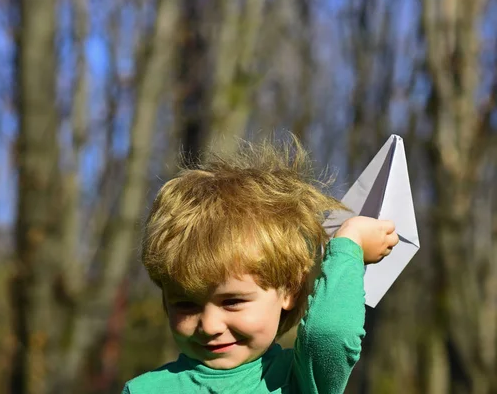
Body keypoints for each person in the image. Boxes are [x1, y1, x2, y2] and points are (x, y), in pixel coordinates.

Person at [122, 136, 399, 393]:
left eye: (231, 301)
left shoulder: (299, 379)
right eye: (186, 304)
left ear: (289, 290)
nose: (209, 325)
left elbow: (329, 335)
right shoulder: (144, 390)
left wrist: (348, 245)